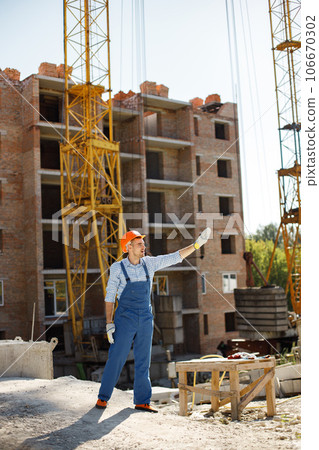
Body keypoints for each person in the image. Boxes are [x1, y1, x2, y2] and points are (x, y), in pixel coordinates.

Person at [96, 227, 211, 412]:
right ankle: (103, 398)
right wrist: (109, 323)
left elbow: (175, 256)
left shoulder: (149, 263)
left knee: (144, 359)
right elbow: (109, 297)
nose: (144, 246)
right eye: (139, 244)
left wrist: (196, 245)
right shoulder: (118, 268)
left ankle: (142, 401)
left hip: (145, 317)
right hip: (125, 318)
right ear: (128, 247)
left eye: (143, 243)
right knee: (117, 356)